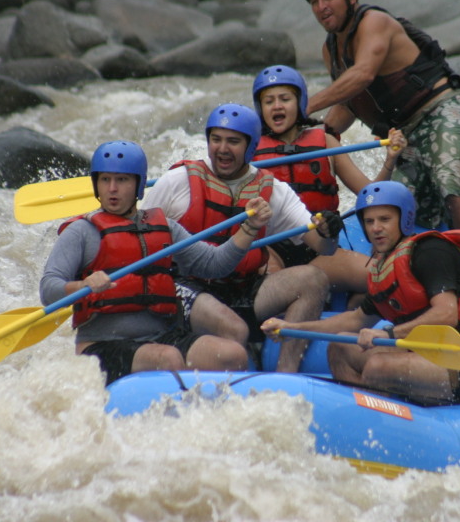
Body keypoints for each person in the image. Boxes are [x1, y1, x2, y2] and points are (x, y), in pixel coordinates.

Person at [40, 140, 272, 385]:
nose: (112, 189)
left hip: (162, 336)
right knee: (168, 359)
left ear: (139, 185)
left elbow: (213, 264)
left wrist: (250, 228)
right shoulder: (81, 232)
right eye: (105, 180)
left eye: (122, 180)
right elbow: (48, 288)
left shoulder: (164, 227)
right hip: (102, 347)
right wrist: (82, 286)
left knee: (231, 355)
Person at [262, 181, 460, 406]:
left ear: (404, 219)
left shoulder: (431, 251)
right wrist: (289, 328)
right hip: (425, 355)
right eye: (369, 222)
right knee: (339, 347)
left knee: (377, 367)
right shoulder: (383, 268)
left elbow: (446, 314)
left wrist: (388, 332)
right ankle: (371, 413)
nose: (376, 228)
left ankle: (386, 414)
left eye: (384, 219)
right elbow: (354, 320)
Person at [141, 103, 339, 372]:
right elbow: (140, 238)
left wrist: (328, 232)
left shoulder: (274, 191)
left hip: (241, 288)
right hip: (184, 287)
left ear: (251, 145)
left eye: (233, 141)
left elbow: (322, 247)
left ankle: (285, 376)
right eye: (216, 139)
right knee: (232, 328)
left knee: (313, 279)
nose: (222, 149)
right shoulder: (177, 181)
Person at [301, 0, 460, 230]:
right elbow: (350, 103)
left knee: (449, 183)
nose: (321, 7)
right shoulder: (330, 50)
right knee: (388, 206)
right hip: (403, 135)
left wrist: (304, 106)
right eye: (314, 1)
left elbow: (363, 74)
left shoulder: (374, 22)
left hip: (442, 110)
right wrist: (312, 131)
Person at [252, 63, 407, 294]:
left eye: (285, 99)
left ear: (300, 103)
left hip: (322, 246)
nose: (277, 106)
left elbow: (371, 195)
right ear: (260, 109)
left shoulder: (325, 142)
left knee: (384, 280)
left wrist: (390, 159)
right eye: (268, 101)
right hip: (271, 247)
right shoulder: (250, 150)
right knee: (273, 287)